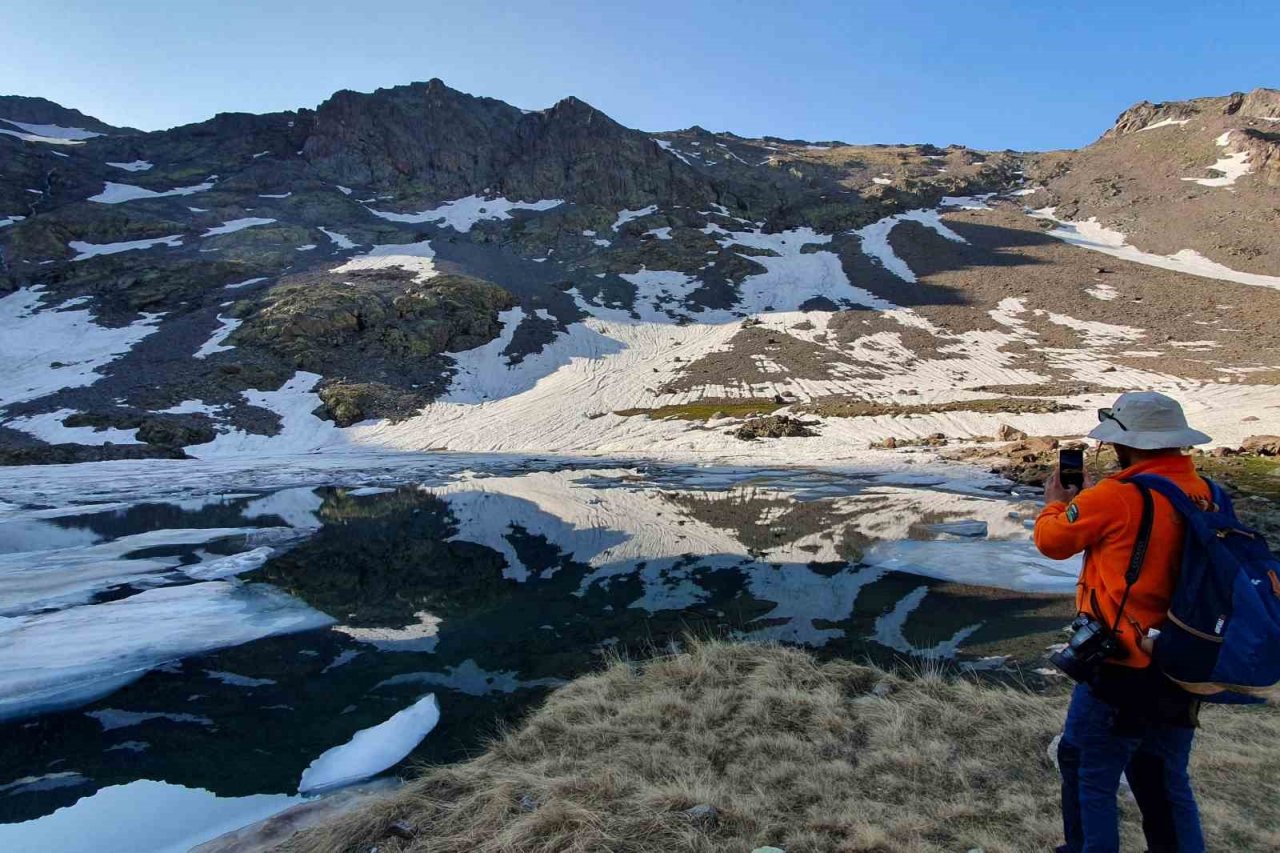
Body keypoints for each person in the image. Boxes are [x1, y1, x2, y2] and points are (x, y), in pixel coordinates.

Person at [1034, 391, 1213, 853]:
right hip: (1181, 657)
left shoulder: (1118, 496)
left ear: (1123, 445)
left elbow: (1052, 541)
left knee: (1087, 766)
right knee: (1164, 776)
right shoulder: (1208, 493)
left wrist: (1057, 502)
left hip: (1122, 659)